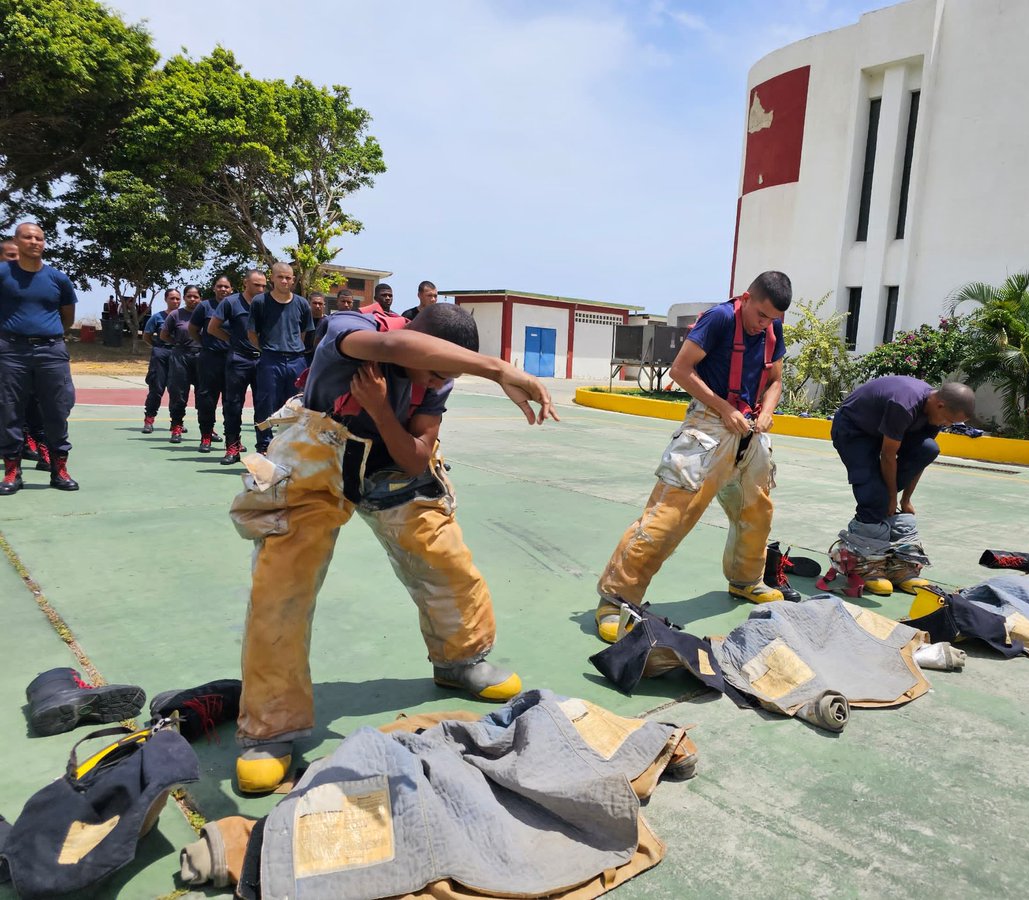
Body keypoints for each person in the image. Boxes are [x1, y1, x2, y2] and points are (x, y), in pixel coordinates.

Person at [229, 302, 558, 793]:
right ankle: (270, 727)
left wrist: (383, 410)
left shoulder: (436, 378)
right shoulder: (351, 330)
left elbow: (416, 457)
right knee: (282, 587)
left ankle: (460, 661)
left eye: (446, 376)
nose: (438, 382)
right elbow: (391, 346)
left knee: (444, 560)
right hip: (315, 465)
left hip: (390, 468)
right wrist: (499, 369)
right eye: (435, 370)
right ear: (418, 333)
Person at [594, 272, 792, 643]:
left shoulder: (771, 330)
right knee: (668, 518)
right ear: (747, 297)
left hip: (750, 432)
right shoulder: (719, 319)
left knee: (756, 513)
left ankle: (746, 580)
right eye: (761, 315)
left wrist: (767, 411)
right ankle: (615, 600)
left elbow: (775, 381)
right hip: (709, 427)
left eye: (773, 319)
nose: (764, 324)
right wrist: (724, 409)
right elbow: (680, 370)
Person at [827, 376, 975, 595]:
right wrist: (891, 497)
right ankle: (863, 562)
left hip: (882, 433)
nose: (946, 425)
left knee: (929, 449)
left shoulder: (933, 415)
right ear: (940, 405)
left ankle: (898, 566)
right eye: (948, 420)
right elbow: (888, 455)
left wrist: (905, 500)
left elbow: (919, 458)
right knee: (875, 495)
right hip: (855, 430)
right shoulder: (904, 405)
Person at [0, 222, 80, 494]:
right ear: (16, 241)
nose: (34, 242)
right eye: (28, 237)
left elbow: (67, 317)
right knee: (10, 410)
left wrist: (46, 334)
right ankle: (12, 472)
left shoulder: (58, 279)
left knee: (57, 409)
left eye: (39, 238)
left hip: (51, 351)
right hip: (12, 351)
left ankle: (59, 470)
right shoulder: (3, 273)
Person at [247, 262, 314, 452]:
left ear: (293, 280)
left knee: (296, 405)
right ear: (272, 278)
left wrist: (291, 347)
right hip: (270, 360)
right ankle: (264, 447)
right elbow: (251, 333)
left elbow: (303, 332)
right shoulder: (260, 302)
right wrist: (267, 350)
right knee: (265, 403)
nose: (284, 281)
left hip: (296, 361)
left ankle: (290, 448)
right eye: (280, 277)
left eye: (288, 277)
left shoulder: (302, 303)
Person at [209, 270, 268, 464]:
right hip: (238, 360)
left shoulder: (268, 303)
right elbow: (212, 328)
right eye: (257, 285)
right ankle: (232, 448)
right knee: (233, 405)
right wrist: (232, 341)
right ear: (245, 283)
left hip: (262, 361)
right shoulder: (231, 302)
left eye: (264, 285)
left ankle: (263, 450)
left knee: (263, 406)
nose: (261, 289)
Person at [187, 276, 233, 453]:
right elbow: (193, 329)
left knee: (232, 401)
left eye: (226, 286)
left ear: (231, 289)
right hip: (210, 359)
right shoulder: (205, 306)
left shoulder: (236, 305)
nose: (223, 289)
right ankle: (206, 436)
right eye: (219, 286)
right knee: (207, 399)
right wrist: (206, 344)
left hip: (232, 359)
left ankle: (232, 441)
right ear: (214, 288)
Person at [161, 286, 203, 443]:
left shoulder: (206, 313)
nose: (192, 299)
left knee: (204, 395)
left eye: (196, 296)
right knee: (178, 394)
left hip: (202, 356)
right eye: (189, 296)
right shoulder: (175, 315)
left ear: (200, 298)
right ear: (184, 298)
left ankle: (207, 429)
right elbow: (164, 335)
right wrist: (178, 344)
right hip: (181, 357)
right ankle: (176, 426)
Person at [140, 289, 181, 433]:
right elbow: (146, 336)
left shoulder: (184, 317)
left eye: (177, 298)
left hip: (178, 355)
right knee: (156, 388)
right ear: (166, 300)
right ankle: (149, 419)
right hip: (161, 354)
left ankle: (176, 422)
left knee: (177, 391)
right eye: (172, 298)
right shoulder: (157, 317)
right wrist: (158, 347)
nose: (175, 301)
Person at [304, 291, 325, 365]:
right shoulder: (303, 320)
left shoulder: (328, 322)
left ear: (324, 305)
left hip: (321, 358)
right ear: (309, 304)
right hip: (304, 357)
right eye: (315, 303)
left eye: (320, 303)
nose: (317, 306)